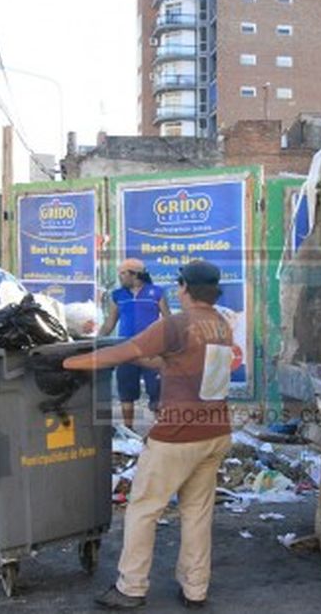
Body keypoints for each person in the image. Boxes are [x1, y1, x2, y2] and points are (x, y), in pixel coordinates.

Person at [65, 260, 234, 610]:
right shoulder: (220, 324)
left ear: (183, 288)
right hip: (215, 432)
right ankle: (195, 589)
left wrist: (65, 362)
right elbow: (174, 362)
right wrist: (143, 359)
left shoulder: (177, 324)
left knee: (143, 509)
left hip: (177, 436)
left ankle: (131, 587)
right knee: (197, 513)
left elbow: (118, 353)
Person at [99, 258, 171, 431]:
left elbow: (168, 321)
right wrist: (96, 342)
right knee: (126, 393)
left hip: (152, 350)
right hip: (126, 349)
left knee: (156, 392)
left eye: (123, 273)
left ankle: (160, 431)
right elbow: (110, 323)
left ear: (136, 274)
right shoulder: (117, 295)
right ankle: (129, 430)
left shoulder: (157, 292)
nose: (120, 277)